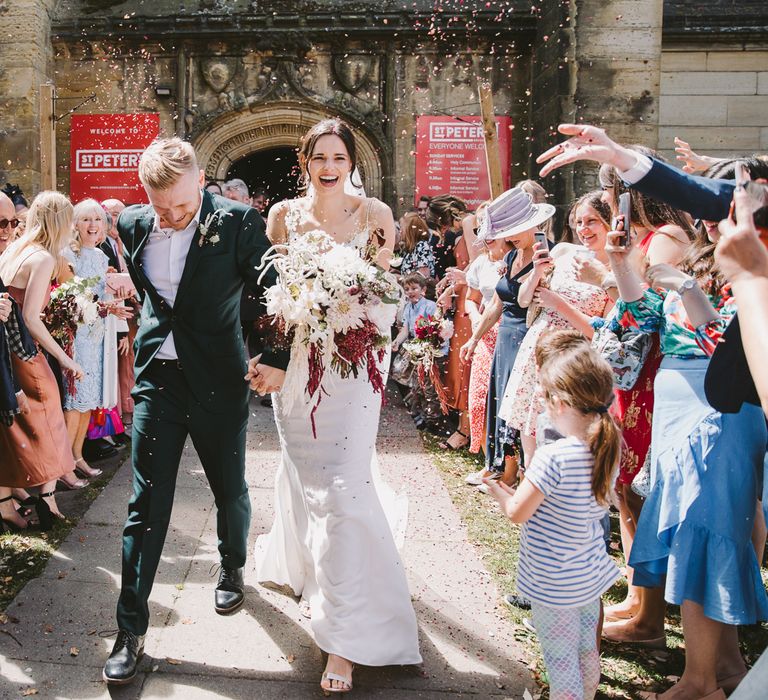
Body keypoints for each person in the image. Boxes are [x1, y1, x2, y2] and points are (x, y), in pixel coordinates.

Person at [103, 138, 290, 685]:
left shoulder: (237, 223)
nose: (174, 217)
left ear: (202, 179)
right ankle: (129, 629)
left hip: (219, 381)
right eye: (163, 208)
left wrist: (273, 355)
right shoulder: (135, 224)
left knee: (228, 487)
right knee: (145, 504)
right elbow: (151, 293)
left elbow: (278, 290)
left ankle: (232, 565)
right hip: (158, 381)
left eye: (183, 207)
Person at [253, 118, 421, 695]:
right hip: (299, 373)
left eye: (339, 158)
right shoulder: (283, 218)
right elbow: (269, 298)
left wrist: (343, 309)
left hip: (351, 374)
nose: (329, 168)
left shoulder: (375, 218)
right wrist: (285, 334)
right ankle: (305, 565)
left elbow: (386, 295)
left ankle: (344, 639)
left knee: (345, 493)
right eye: (320, 157)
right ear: (306, 162)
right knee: (308, 483)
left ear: (353, 163)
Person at [483, 339, 620, 700]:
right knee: (586, 651)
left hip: (553, 582)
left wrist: (495, 487)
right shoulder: (607, 446)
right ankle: (588, 692)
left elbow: (518, 512)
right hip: (588, 574)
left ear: (557, 403)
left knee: (560, 664)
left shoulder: (553, 457)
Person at [497, 197, 612, 468]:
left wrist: (558, 303)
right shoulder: (563, 252)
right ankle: (532, 490)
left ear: (609, 222)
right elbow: (524, 300)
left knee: (568, 435)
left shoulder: (613, 268)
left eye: (592, 221)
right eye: (579, 222)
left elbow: (602, 332)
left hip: (573, 359)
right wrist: (536, 272)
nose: (584, 229)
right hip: (538, 348)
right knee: (530, 427)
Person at [460, 185, 555, 489]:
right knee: (501, 400)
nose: (509, 237)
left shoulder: (545, 253)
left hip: (528, 337)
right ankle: (500, 467)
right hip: (505, 335)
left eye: (514, 230)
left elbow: (526, 300)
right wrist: (475, 338)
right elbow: (497, 304)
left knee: (519, 406)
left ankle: (516, 475)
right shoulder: (513, 253)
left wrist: (538, 272)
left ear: (532, 224)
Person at [0, 191, 85, 527]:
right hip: (25, 351)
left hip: (6, 350)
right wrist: (64, 358)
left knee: (15, 426)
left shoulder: (14, 250)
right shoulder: (44, 258)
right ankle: (46, 499)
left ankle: (14, 494)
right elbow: (32, 317)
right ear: (59, 223)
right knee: (50, 419)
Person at [62, 199, 129, 480]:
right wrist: (107, 306)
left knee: (90, 401)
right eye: (86, 219)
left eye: (98, 220)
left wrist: (116, 293)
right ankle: (64, 464)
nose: (92, 225)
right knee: (75, 401)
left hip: (98, 335)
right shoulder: (68, 255)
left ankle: (78, 456)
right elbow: (71, 302)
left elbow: (103, 298)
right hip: (77, 337)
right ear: (75, 224)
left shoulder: (102, 257)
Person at [392, 272, 448, 430]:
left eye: (414, 288)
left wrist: (429, 347)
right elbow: (406, 329)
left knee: (430, 388)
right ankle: (420, 415)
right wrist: (396, 341)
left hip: (432, 352)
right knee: (413, 384)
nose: (410, 292)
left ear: (423, 290)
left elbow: (437, 329)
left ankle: (433, 422)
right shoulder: (409, 307)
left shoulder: (430, 306)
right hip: (416, 350)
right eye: (407, 289)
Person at [397, 212, 435, 279]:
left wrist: (398, 278)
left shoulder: (422, 246)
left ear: (410, 230)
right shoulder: (411, 248)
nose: (400, 231)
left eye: (401, 228)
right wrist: (396, 272)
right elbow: (410, 273)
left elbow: (423, 277)